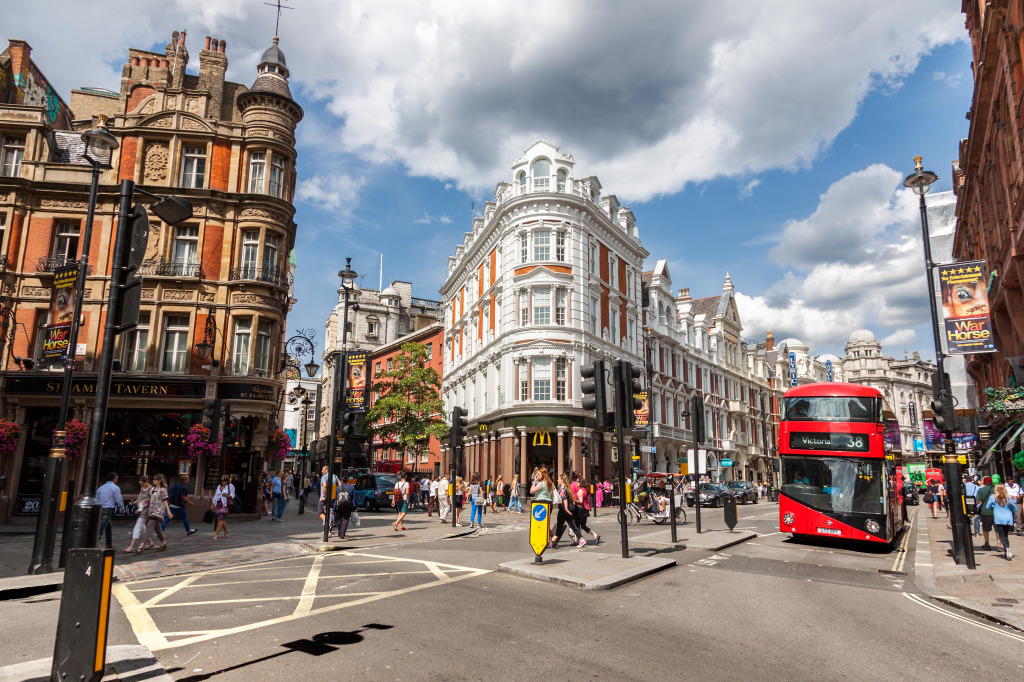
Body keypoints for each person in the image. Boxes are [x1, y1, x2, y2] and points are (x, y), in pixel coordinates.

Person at [984, 483, 1018, 560]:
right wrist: (1009, 507)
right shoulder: (1009, 498)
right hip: (1008, 519)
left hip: (999, 519)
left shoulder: (993, 497)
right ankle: (1007, 551)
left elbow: (987, 507)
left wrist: (993, 506)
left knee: (1002, 536)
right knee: (1006, 535)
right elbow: (1015, 508)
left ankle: (1007, 549)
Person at [551, 473, 585, 548]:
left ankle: (555, 539)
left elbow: (564, 499)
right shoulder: (568, 487)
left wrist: (566, 509)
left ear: (562, 480)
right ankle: (581, 539)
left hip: (564, 509)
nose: (557, 480)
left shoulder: (563, 488)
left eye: (559, 479)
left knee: (559, 525)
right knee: (572, 525)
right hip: (571, 507)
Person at [139, 473, 169, 554]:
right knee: (157, 528)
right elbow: (152, 499)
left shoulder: (163, 490)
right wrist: (145, 501)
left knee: (149, 528)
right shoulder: (153, 489)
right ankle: (163, 543)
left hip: (158, 511)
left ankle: (141, 546)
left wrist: (168, 512)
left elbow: (165, 501)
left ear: (159, 481)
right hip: (151, 510)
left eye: (155, 479)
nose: (153, 480)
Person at [96, 472, 126, 550]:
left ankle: (108, 544)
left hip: (100, 507)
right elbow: (118, 499)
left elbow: (97, 497)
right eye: (116, 478)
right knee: (101, 526)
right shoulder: (115, 488)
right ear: (114, 479)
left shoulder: (101, 488)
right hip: (108, 508)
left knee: (108, 526)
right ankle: (96, 543)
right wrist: (122, 507)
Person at [124, 475, 152, 553]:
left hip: (145, 510)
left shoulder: (151, 489)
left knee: (138, 526)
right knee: (142, 526)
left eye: (142, 484)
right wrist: (134, 502)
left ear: (146, 481)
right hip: (140, 509)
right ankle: (150, 542)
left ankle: (131, 546)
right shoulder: (142, 488)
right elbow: (140, 498)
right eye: (140, 484)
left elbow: (152, 501)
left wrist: (142, 507)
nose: (141, 485)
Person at [976, 476, 996, 551]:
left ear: (984, 482)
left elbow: (977, 500)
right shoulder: (995, 490)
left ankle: (987, 543)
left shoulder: (981, 490)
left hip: (985, 511)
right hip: (996, 511)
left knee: (985, 529)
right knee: (997, 528)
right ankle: (999, 543)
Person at [212, 475, 234, 540]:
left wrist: (226, 496)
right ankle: (226, 530)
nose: (223, 482)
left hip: (225, 505)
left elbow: (232, 496)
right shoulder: (219, 487)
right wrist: (212, 505)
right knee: (220, 518)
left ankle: (216, 535)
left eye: (224, 481)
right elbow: (215, 496)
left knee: (220, 519)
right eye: (222, 481)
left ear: (227, 481)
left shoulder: (230, 486)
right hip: (218, 505)